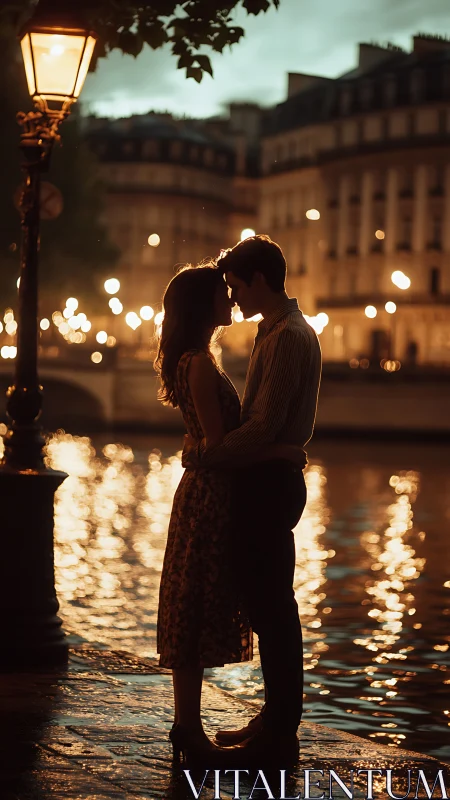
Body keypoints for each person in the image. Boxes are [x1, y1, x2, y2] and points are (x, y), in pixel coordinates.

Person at [154, 263, 307, 767]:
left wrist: (196, 448)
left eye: (234, 288)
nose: (231, 298)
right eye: (223, 292)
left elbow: (204, 441)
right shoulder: (200, 363)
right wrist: (282, 452)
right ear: (203, 307)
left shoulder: (196, 358)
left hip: (206, 491)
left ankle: (194, 729)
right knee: (198, 605)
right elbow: (218, 445)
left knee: (195, 604)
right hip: (210, 495)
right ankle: (193, 731)